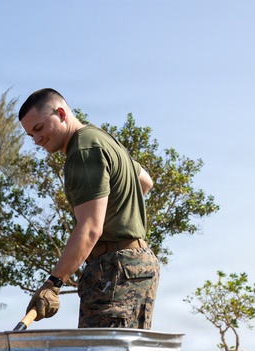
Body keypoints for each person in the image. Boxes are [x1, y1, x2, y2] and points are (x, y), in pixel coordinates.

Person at [18, 89, 159, 329]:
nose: (37, 140)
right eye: (31, 135)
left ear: (61, 113)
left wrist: (53, 283)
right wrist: (116, 212)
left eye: (39, 128)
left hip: (114, 270)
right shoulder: (102, 139)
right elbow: (145, 181)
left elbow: (91, 228)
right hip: (139, 265)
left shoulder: (82, 150)